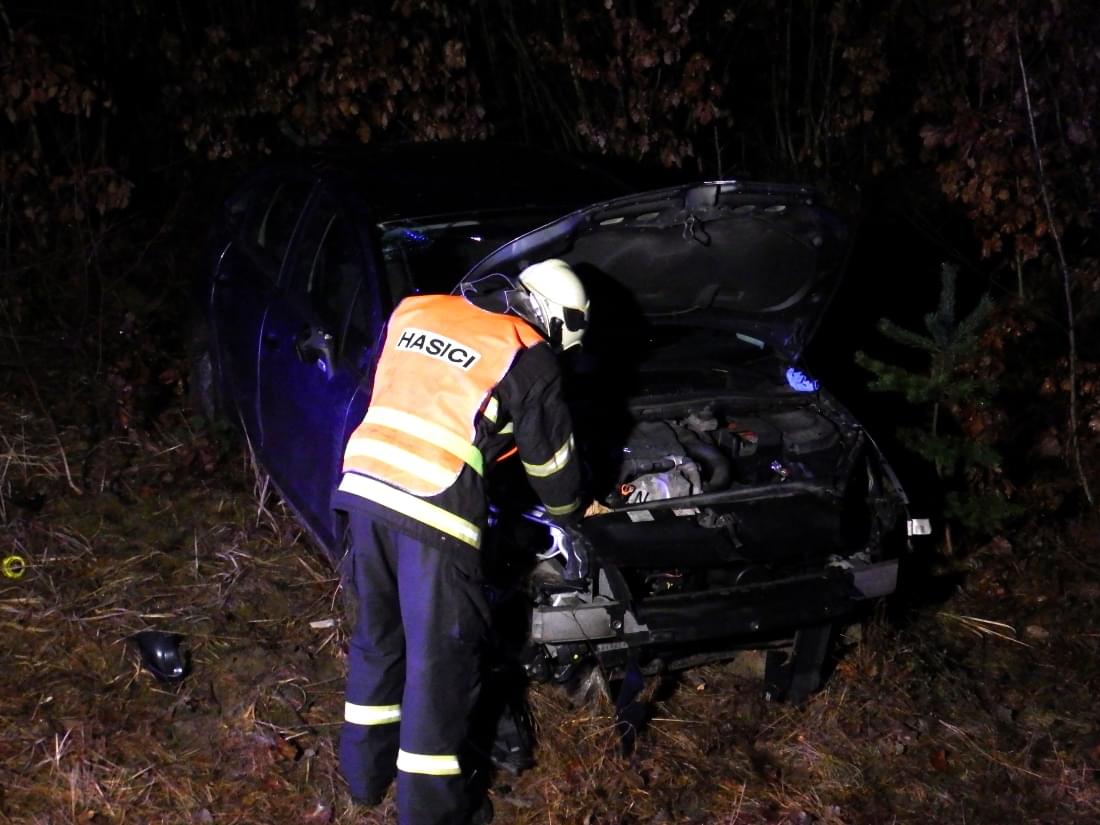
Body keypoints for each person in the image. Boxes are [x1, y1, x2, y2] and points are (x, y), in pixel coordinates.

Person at [333, 258, 589, 825]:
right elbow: (551, 465)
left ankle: (364, 777)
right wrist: (572, 516)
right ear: (558, 320)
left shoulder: (418, 310)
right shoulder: (528, 350)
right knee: (440, 664)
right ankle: (433, 813)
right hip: (435, 507)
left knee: (379, 637)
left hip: (363, 487)